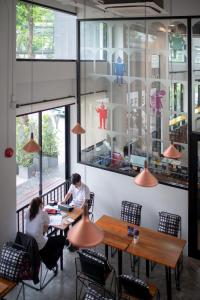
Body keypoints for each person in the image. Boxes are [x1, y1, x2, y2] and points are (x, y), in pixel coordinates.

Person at [25, 197, 66, 269]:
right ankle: (51, 263)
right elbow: (45, 230)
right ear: (41, 205)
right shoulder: (43, 213)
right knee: (62, 239)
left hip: (29, 244)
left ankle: (47, 259)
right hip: (39, 245)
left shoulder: (28, 211)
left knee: (50, 240)